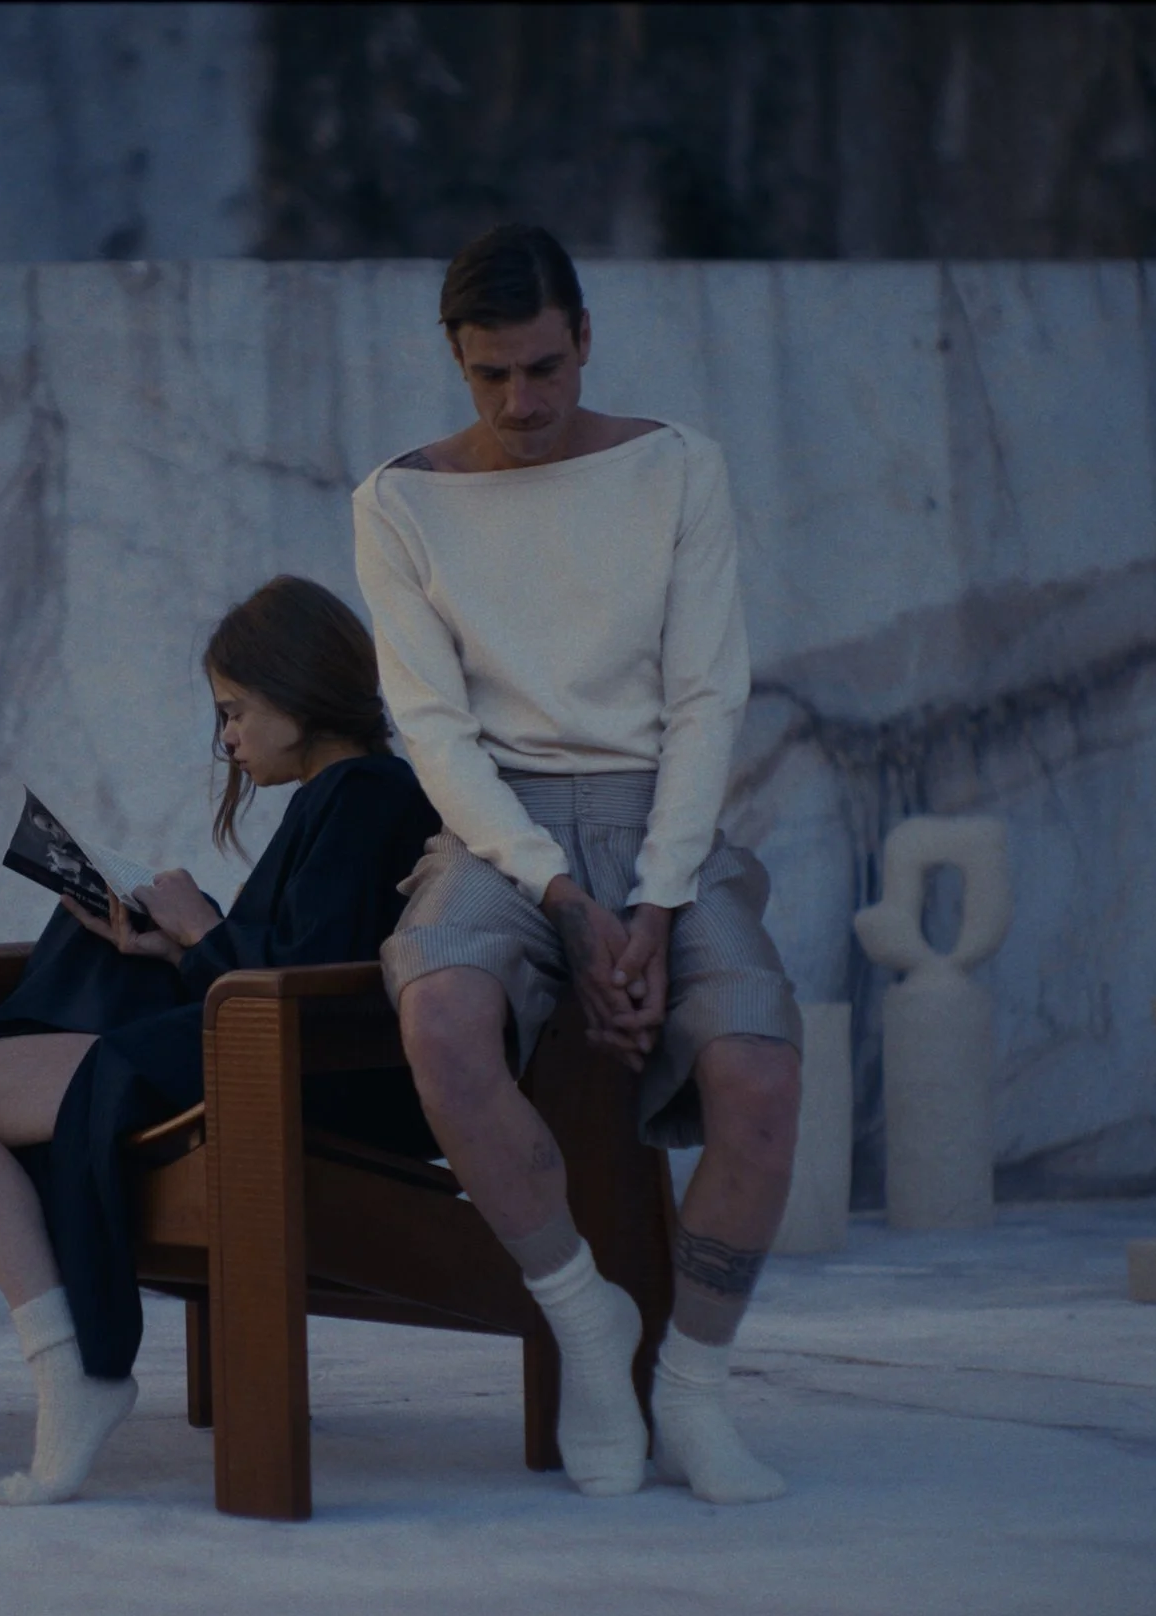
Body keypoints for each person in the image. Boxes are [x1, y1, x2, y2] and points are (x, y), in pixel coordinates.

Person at [352, 222, 803, 1505]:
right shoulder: (397, 501)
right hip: (494, 824)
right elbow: (432, 729)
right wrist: (554, 888)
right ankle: (586, 1322)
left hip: (665, 811)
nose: (520, 402)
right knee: (441, 1017)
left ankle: (692, 1384)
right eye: (489, 375)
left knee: (760, 1076)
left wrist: (655, 899)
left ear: (586, 338)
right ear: (455, 357)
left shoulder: (676, 467)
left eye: (543, 368)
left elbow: (707, 697)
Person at [0, 575, 441, 1505]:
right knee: (97, 941)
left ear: (298, 689)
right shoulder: (348, 794)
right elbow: (292, 963)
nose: (226, 740)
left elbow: (307, 987)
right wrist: (176, 942)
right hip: (255, 1049)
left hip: (293, 1076)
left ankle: (77, 1367)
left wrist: (202, 931)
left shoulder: (365, 795)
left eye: (234, 712)